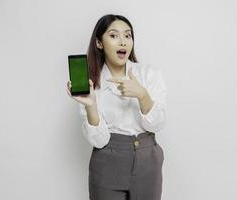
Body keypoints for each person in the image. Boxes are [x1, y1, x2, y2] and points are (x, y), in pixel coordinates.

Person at [66, 14, 167, 200]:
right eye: (114, 36)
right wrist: (91, 105)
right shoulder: (91, 84)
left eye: (128, 36)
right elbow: (99, 141)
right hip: (107, 163)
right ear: (99, 43)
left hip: (148, 161)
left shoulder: (149, 74)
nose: (123, 42)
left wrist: (142, 94)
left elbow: (157, 125)